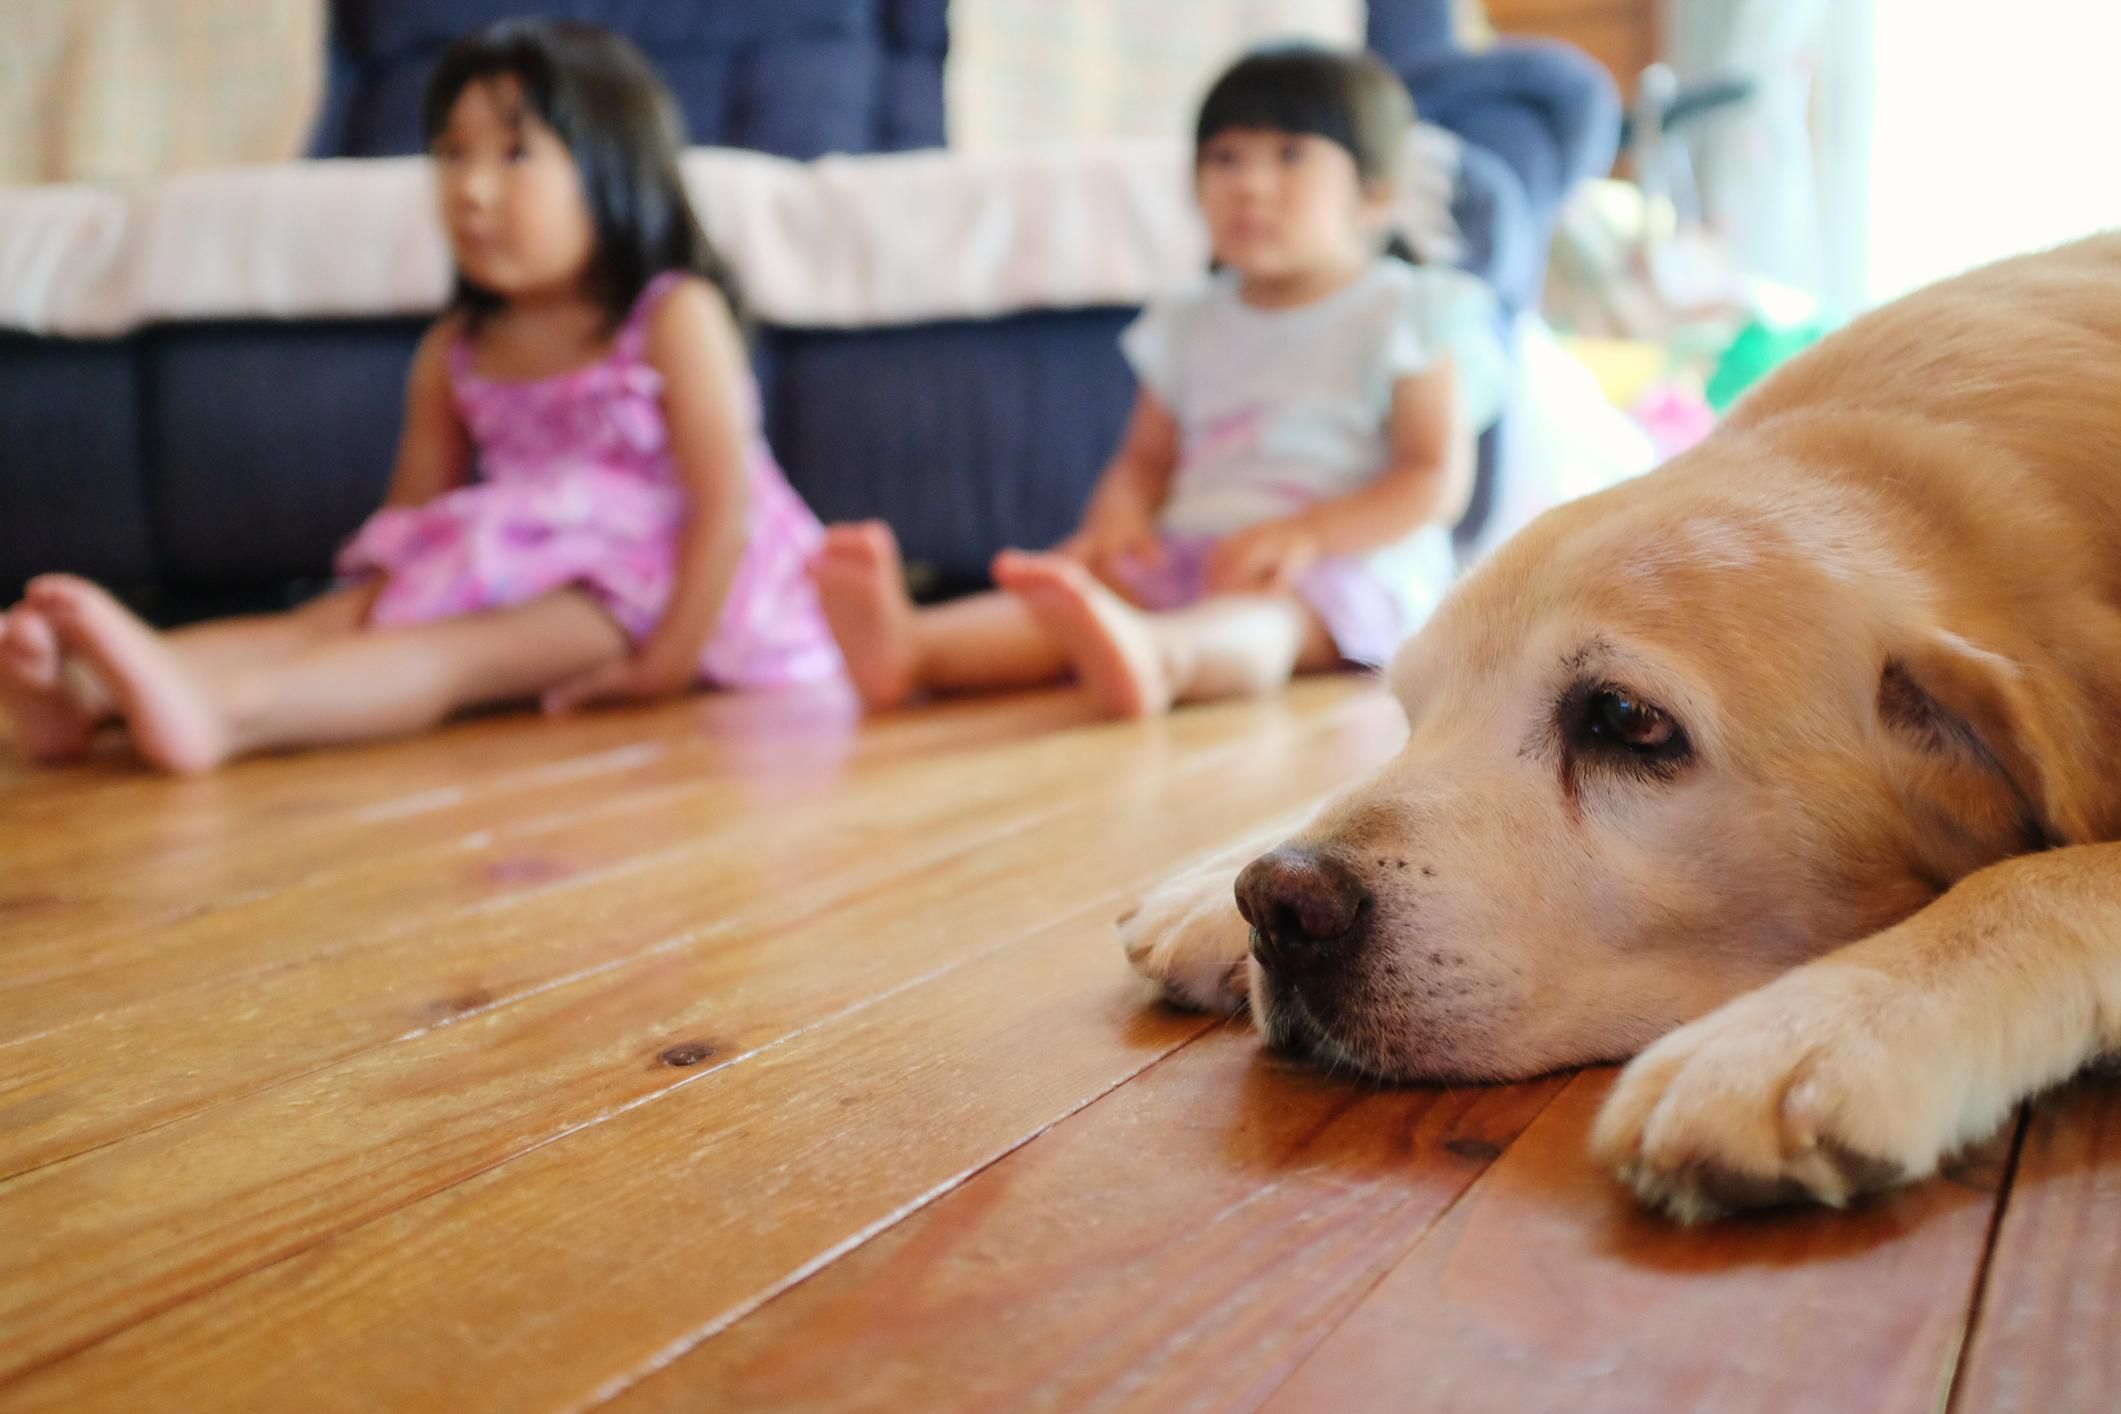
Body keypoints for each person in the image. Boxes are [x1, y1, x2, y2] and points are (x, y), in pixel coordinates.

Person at [0, 20, 838, 773]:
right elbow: (417, 521)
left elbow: (722, 506)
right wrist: (373, 603)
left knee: (454, 654)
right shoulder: (458, 348)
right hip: (522, 558)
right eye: (451, 153)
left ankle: (226, 716)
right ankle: (84, 694)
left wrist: (664, 664)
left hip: (656, 589)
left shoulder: (670, 315)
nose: (470, 191)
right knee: (339, 618)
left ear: (616, 166)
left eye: (513, 154)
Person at [810, 44, 1505, 718]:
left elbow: (1431, 477)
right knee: (1086, 594)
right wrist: (1115, 522)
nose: (1249, 184)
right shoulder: (1188, 322)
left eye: (1290, 155)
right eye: (1224, 158)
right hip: (1192, 554)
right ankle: (913, 648)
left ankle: (1164, 661)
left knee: (1268, 623)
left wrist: (1307, 535)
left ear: (1374, 196)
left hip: (1337, 570)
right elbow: (1143, 463)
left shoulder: (1407, 310)